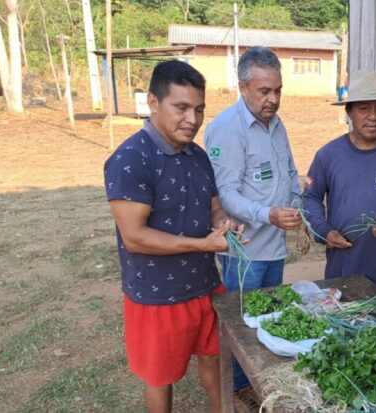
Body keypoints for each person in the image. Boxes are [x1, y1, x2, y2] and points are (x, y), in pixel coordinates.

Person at [104, 60, 244, 412]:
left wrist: (224, 223)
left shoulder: (197, 155)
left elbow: (215, 207)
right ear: (153, 102)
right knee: (160, 378)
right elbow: (135, 236)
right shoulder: (129, 159)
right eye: (181, 107)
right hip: (156, 296)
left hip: (204, 286)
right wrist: (202, 244)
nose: (193, 120)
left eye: (198, 109)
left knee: (215, 359)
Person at [203, 46, 302, 391]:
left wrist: (297, 203)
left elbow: (289, 172)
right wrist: (268, 214)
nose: (272, 99)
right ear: (243, 88)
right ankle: (240, 389)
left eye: (277, 90)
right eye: (264, 91)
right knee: (240, 324)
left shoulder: (277, 124)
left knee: (268, 319)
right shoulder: (227, 129)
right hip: (243, 253)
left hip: (274, 248)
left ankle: (261, 383)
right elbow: (225, 194)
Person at [303, 70, 376, 289]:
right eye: (364, 108)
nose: (374, 117)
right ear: (349, 112)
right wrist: (325, 232)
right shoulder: (328, 154)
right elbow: (310, 197)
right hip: (339, 272)